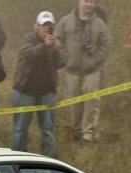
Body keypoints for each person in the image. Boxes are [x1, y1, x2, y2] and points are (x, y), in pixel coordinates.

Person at [11, 11, 66, 158]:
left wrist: (54, 49)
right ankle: (18, 157)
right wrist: (44, 46)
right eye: (44, 26)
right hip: (25, 91)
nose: (47, 29)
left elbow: (62, 62)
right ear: (37, 26)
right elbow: (27, 54)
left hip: (47, 92)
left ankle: (49, 158)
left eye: (49, 26)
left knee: (48, 129)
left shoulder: (55, 42)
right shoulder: (28, 38)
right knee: (20, 128)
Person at [56, 0, 110, 142]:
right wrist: (63, 56)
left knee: (91, 101)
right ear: (79, 2)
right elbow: (58, 38)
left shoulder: (100, 24)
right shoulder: (66, 21)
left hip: (92, 71)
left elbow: (105, 46)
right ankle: (77, 130)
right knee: (74, 102)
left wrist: (95, 60)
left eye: (92, 2)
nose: (89, 4)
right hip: (71, 70)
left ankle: (88, 134)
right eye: (86, 1)